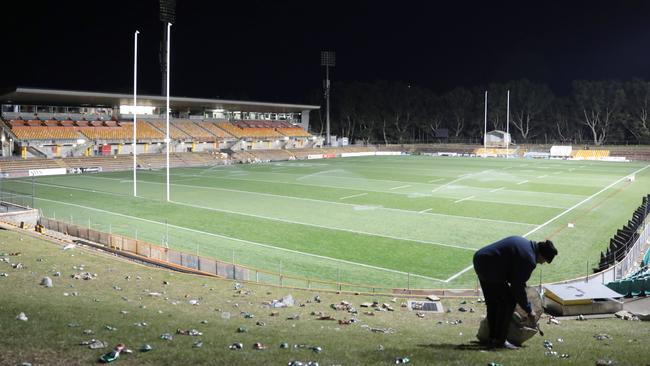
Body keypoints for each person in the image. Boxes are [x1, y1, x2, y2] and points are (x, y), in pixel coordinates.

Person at [473, 236, 558, 350]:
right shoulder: (529, 259)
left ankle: (492, 338)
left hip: (481, 260)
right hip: (491, 267)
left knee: (493, 303)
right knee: (509, 302)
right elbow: (516, 287)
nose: (542, 263)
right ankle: (500, 341)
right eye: (544, 261)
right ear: (541, 255)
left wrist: (520, 288)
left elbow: (515, 278)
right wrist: (529, 310)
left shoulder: (526, 245)